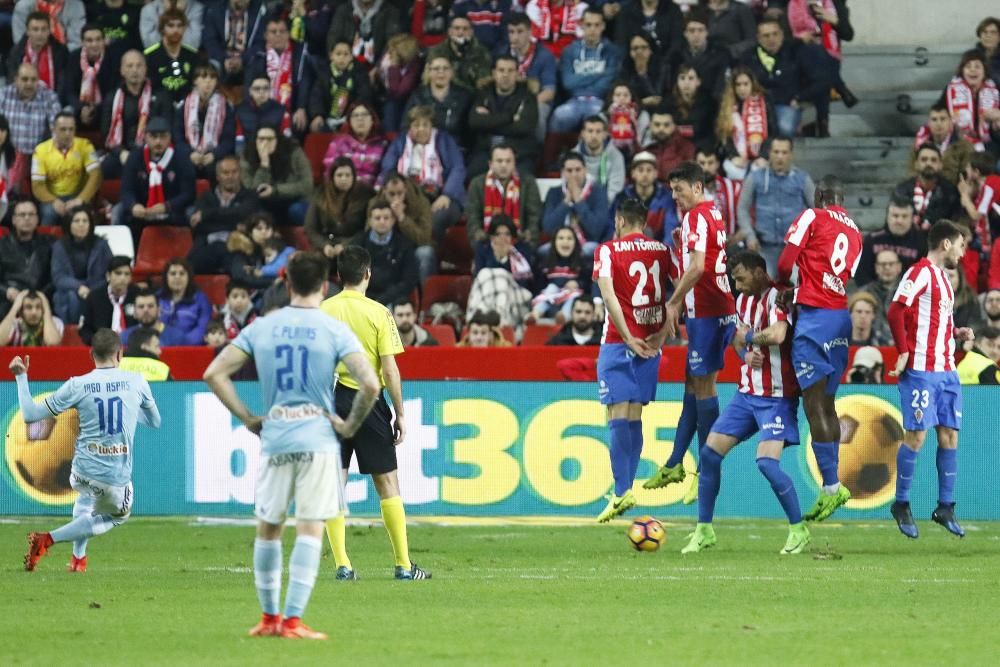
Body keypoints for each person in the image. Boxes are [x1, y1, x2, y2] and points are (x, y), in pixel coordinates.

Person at [204, 251, 379, 639]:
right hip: (317, 438)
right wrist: (349, 425)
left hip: (277, 436)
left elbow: (214, 373)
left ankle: (268, 619)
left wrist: (249, 418)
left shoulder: (263, 326)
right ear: (324, 286)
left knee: (269, 528)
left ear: (286, 284)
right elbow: (370, 383)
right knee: (310, 528)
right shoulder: (333, 328)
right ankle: (294, 621)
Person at [681, 251, 807, 554]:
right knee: (709, 455)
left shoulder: (779, 297)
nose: (737, 286)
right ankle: (704, 530)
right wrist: (744, 353)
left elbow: (777, 335)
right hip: (746, 395)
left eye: (740, 278)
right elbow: (738, 339)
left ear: (759, 271)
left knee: (766, 462)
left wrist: (751, 338)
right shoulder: (742, 302)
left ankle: (798, 529)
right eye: (733, 280)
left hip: (777, 397)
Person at [320, 245, 431, 582]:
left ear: (339, 276)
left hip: (333, 399)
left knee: (333, 485)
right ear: (368, 274)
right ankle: (402, 564)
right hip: (369, 402)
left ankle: (343, 565)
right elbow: (390, 369)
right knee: (387, 484)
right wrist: (400, 414)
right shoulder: (379, 313)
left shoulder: (322, 311)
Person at [15, 328, 161, 573]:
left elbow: (30, 415)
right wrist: (131, 411)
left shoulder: (78, 384)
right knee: (118, 515)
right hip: (113, 476)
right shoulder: (137, 381)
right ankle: (47, 539)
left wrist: (21, 377)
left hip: (80, 470)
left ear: (91, 354)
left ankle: (78, 560)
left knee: (86, 498)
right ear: (120, 354)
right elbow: (155, 422)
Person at [644, 162, 736, 503]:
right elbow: (703, 258)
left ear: (697, 187)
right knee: (692, 384)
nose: (675, 196)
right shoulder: (711, 214)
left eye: (679, 189)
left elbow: (698, 267)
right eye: (672, 190)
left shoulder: (697, 216)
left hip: (709, 313)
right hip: (711, 310)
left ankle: (705, 470)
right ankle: (674, 463)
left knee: (704, 388)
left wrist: (672, 303)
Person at [775, 175, 863, 522]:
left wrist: (785, 287)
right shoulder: (856, 233)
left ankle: (831, 487)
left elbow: (785, 262)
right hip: (840, 317)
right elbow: (844, 275)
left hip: (814, 316)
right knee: (826, 402)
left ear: (819, 196)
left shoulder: (812, 216)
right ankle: (832, 486)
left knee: (814, 405)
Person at [886, 220, 976, 539]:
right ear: (946, 244)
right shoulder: (920, 272)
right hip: (922, 371)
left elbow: (931, 323)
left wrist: (955, 332)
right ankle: (901, 503)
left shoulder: (944, 279)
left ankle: (946, 507)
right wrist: (902, 351)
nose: (964, 254)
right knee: (917, 437)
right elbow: (896, 311)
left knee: (950, 435)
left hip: (947, 370)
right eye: (962, 246)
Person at [592, 198, 669, 522]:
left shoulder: (608, 251)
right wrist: (662, 335)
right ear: (645, 221)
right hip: (652, 343)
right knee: (634, 415)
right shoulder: (663, 251)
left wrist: (626, 337)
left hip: (618, 341)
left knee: (617, 414)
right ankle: (626, 488)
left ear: (620, 220)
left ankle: (622, 491)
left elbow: (608, 295)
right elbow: (677, 296)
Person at [381, 105, 466, 242]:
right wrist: (395, 195)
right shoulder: (401, 142)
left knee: (436, 218)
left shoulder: (444, 140)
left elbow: (458, 168)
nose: (421, 129)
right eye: (416, 125)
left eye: (425, 125)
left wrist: (447, 195)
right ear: (410, 127)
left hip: (440, 195)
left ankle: (429, 253)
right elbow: (388, 168)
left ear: (431, 126)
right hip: (407, 194)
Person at [741, 17, 832, 137]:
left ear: (782, 34)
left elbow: (821, 81)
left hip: (787, 104)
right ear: (758, 38)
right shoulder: (748, 57)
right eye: (766, 36)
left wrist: (800, 98)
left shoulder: (797, 52)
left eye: (775, 34)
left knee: (784, 128)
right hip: (757, 107)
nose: (771, 39)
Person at [736, 137, 815, 274]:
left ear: (791, 154)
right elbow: (742, 208)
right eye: (776, 152)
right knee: (765, 291)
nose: (780, 157)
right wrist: (750, 235)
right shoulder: (755, 177)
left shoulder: (802, 179)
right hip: (763, 247)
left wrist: (810, 238)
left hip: (794, 249)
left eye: (784, 152)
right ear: (769, 153)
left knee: (795, 290)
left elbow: (817, 210)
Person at [119, 116, 195, 244]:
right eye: (153, 137)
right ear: (145, 137)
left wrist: (167, 206)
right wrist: (133, 205)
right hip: (142, 212)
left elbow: (188, 193)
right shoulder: (135, 157)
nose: (158, 141)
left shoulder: (181, 157)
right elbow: (126, 190)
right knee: (118, 212)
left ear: (170, 137)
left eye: (163, 137)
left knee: (192, 212)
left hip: (173, 211)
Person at [100, 50, 173, 179]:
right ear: (122, 70)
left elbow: (167, 127)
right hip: (122, 153)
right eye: (130, 66)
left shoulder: (161, 96)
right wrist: (120, 152)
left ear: (145, 69)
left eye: (139, 66)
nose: (135, 70)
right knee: (103, 168)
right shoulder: (112, 98)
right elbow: (106, 132)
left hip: (154, 151)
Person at [467, 54, 540, 176]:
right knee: (472, 174)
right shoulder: (482, 94)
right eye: (501, 70)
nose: (505, 75)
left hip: (519, 154)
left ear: (517, 74)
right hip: (486, 152)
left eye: (510, 71)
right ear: (494, 73)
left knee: (524, 178)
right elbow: (475, 121)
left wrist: (489, 121)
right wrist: (510, 117)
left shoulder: (528, 97)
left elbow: (524, 127)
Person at [551, 9, 621, 134]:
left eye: (596, 25)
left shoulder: (611, 51)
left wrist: (580, 78)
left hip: (600, 101)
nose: (592, 29)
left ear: (603, 26)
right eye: (588, 25)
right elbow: (568, 83)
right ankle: (552, 153)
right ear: (581, 25)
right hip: (574, 100)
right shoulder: (569, 51)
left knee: (599, 116)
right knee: (559, 115)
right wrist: (599, 74)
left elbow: (606, 84)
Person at [188, 155, 259, 275]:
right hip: (207, 250)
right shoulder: (206, 197)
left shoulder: (250, 196)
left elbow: (243, 214)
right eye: (226, 173)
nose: (230, 177)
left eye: (234, 172)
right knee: (184, 268)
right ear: (218, 176)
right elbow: (199, 226)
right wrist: (232, 224)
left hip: (237, 250)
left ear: (240, 174)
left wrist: (208, 214)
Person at [30, 111, 101, 226]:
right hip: (52, 197)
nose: (68, 133)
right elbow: (37, 185)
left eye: (71, 129)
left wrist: (81, 199)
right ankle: (46, 242)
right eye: (63, 129)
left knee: (83, 214)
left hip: (78, 195)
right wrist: (53, 200)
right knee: (49, 213)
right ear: (53, 129)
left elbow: (96, 175)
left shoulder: (85, 145)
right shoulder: (40, 150)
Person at [466, 143, 542, 247]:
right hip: (486, 243)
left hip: (520, 242)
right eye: (499, 161)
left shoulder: (527, 182)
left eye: (508, 161)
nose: (504, 165)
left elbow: (534, 215)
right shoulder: (477, 184)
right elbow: (473, 217)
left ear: (514, 163)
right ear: (490, 164)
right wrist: (481, 237)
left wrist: (528, 235)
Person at [244, 17, 312, 133]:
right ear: (265, 35)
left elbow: (305, 84)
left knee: (299, 123)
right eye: (273, 32)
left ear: (288, 34)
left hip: (291, 111)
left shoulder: (299, 54)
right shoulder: (257, 55)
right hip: (262, 109)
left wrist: (301, 107)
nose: (278, 35)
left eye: (282, 31)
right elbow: (248, 86)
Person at [348, 197, 420, 307]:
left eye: (386, 218)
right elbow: (350, 276)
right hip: (362, 299)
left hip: (393, 299)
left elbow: (408, 281)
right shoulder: (357, 245)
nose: (382, 222)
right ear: (370, 221)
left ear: (393, 220)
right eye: (377, 218)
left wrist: (384, 299)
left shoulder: (405, 246)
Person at [305, 156, 376, 268]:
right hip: (327, 243)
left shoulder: (365, 194)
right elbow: (311, 228)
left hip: (355, 244)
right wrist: (324, 245)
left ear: (354, 176)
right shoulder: (321, 193)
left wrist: (346, 245)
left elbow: (368, 229)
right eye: (339, 175)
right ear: (332, 177)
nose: (344, 179)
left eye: (348, 175)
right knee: (314, 265)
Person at [50, 206, 112, 325]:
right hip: (70, 291)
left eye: (85, 221)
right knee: (69, 297)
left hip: (97, 288)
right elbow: (58, 277)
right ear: (69, 224)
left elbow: (110, 272)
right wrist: (79, 287)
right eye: (76, 221)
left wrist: (92, 290)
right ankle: (71, 330)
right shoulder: (59, 246)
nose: (81, 224)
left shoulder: (102, 245)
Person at [542, 152, 610, 258]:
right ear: (562, 172)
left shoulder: (598, 192)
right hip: (559, 244)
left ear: (585, 170)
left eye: (578, 170)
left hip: (588, 243)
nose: (574, 175)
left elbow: (597, 229)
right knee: (542, 252)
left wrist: (579, 202)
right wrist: (566, 202)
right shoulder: (554, 193)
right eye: (569, 171)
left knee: (593, 250)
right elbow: (548, 227)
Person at [239, 124, 312, 223]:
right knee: (252, 210)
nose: (265, 143)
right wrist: (264, 164)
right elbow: (252, 191)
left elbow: (307, 185)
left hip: (294, 200)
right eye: (261, 139)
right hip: (265, 203)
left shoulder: (294, 151)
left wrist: (275, 190)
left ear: (277, 140)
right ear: (255, 141)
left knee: (297, 209)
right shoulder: (247, 155)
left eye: (269, 139)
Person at [504, 13, 558, 141]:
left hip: (537, 101)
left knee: (536, 113)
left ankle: (537, 153)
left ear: (530, 32)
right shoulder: (501, 52)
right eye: (511, 32)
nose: (515, 37)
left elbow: (549, 92)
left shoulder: (544, 56)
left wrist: (526, 106)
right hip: (508, 100)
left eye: (520, 32)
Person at [177, 63, 236, 180]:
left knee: (215, 169)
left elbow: (228, 139)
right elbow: (177, 136)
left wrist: (214, 155)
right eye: (204, 77)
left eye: (212, 78)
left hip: (214, 155)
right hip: (190, 154)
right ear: (195, 81)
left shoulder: (225, 107)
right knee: (185, 168)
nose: (208, 81)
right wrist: (190, 153)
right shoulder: (184, 106)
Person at [853, 196, 927, 287]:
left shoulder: (921, 242)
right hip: (875, 294)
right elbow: (861, 276)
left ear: (912, 219)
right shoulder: (872, 240)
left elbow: (924, 278)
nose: (899, 221)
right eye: (895, 216)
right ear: (887, 217)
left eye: (904, 216)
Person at [716, 66, 774, 181]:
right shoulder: (727, 106)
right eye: (738, 85)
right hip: (737, 160)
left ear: (752, 84)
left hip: (760, 158)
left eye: (745, 84)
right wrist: (734, 156)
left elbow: (772, 132)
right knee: (733, 170)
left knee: (759, 172)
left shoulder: (764, 102)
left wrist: (763, 156)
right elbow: (725, 136)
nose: (742, 88)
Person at [402, 56, 473, 148]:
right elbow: (405, 126)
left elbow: (469, 132)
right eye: (436, 69)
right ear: (429, 72)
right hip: (423, 148)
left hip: (455, 148)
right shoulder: (418, 96)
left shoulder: (464, 96)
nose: (441, 72)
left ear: (451, 72)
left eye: (445, 68)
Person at [0, 200, 53, 320]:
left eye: (31, 214)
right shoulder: (2, 245)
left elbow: (54, 277)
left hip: (40, 296)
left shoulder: (49, 243)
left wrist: (40, 295)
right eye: (22, 215)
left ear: (37, 219)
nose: (27, 218)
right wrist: (7, 291)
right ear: (13, 220)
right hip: (9, 297)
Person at [939, 50, 1000, 151]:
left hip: (991, 142)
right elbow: (939, 111)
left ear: (984, 70)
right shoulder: (951, 89)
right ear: (962, 71)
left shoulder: (995, 88)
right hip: (959, 141)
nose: (973, 70)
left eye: (977, 66)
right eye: (968, 66)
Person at [610, 150, 678, 241]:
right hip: (626, 249)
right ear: (633, 173)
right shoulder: (621, 198)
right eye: (640, 170)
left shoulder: (666, 198)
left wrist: (662, 252)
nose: (645, 174)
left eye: (649, 170)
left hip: (658, 249)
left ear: (655, 174)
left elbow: (670, 230)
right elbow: (612, 228)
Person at [308, 40, 374, 133]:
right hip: (328, 118)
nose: (342, 58)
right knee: (317, 127)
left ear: (351, 56)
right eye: (338, 54)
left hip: (351, 118)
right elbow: (316, 96)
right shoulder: (324, 73)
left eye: (346, 54)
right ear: (331, 56)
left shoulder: (359, 72)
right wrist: (318, 115)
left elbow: (364, 95)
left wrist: (351, 115)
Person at [381, 171, 435, 281]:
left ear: (405, 190)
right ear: (384, 191)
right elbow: (370, 235)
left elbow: (423, 238)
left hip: (413, 247)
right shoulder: (375, 204)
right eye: (392, 194)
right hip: (387, 248)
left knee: (425, 253)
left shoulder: (421, 203)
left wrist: (402, 217)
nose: (396, 198)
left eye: (400, 193)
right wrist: (389, 218)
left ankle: (424, 296)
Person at [893, 144, 960, 231]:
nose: (929, 163)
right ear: (916, 164)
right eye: (924, 160)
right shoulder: (901, 190)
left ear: (940, 165)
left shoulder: (950, 193)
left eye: (933, 160)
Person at [0, 63, 61, 158]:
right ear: (16, 80)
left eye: (33, 80)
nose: (29, 84)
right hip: (8, 158)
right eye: (25, 79)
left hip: (38, 157)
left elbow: (57, 129)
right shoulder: (4, 95)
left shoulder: (49, 97)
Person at [668, 9, 730, 101]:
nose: (696, 35)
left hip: (711, 104)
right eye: (692, 31)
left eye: (700, 30)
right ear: (685, 33)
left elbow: (720, 88)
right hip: (682, 104)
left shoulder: (720, 54)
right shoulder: (676, 56)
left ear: (707, 32)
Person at [65, 24, 119, 129]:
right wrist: (82, 108)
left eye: (98, 40)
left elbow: (115, 91)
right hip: (79, 108)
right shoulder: (73, 58)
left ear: (104, 41)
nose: (94, 44)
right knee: (67, 111)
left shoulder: (113, 58)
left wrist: (96, 109)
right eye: (89, 40)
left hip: (105, 107)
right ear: (82, 42)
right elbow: (69, 91)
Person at [144, 9, 202, 106]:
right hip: (158, 107)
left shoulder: (193, 55)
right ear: (162, 28)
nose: (176, 30)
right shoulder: (149, 56)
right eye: (171, 25)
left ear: (184, 28)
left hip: (188, 107)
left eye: (179, 26)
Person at [322, 102, 388, 187]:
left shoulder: (383, 145)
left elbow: (385, 172)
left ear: (372, 120)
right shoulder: (338, 143)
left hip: (371, 192)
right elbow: (329, 170)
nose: (360, 119)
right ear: (349, 121)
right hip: (343, 189)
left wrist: (376, 189)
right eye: (355, 116)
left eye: (364, 115)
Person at [531, 226, 589, 322]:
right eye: (561, 238)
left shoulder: (581, 263)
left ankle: (563, 317)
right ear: (554, 242)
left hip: (570, 300)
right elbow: (539, 286)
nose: (565, 242)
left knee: (575, 295)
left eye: (569, 238)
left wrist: (578, 284)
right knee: (551, 287)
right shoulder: (545, 263)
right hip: (551, 301)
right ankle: (535, 314)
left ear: (575, 242)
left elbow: (587, 283)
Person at [202, 0, 268, 85]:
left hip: (248, 59)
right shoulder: (215, 9)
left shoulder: (260, 11)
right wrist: (223, 58)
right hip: (221, 58)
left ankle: (249, 97)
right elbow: (210, 40)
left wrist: (243, 58)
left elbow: (260, 42)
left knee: (258, 63)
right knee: (210, 66)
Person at [79, 256, 138, 344]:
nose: (123, 278)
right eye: (118, 273)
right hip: (102, 349)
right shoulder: (94, 297)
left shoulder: (138, 296)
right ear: (108, 276)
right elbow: (85, 329)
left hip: (132, 347)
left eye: (127, 274)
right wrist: (97, 342)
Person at [427, 15, 493, 93]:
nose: (461, 32)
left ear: (471, 32)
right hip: (445, 93)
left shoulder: (481, 51)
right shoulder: (437, 51)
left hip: (473, 95)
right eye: (457, 28)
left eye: (465, 29)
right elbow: (431, 77)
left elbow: (483, 80)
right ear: (450, 31)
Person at [912, 104, 974, 186]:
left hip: (953, 193)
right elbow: (912, 172)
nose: (938, 123)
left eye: (943, 119)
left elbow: (966, 177)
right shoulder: (920, 146)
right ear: (928, 123)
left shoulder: (964, 146)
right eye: (934, 119)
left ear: (950, 122)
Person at [8, 11, 68, 95]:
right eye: (35, 29)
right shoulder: (17, 52)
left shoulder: (61, 52)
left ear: (49, 31)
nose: (40, 34)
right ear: (28, 31)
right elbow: (12, 81)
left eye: (44, 29)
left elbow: (63, 85)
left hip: (52, 102)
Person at [325, 0, 401, 67]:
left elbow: (393, 42)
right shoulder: (344, 10)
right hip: (347, 64)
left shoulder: (390, 11)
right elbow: (333, 37)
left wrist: (377, 68)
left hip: (378, 67)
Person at [156, 258, 212, 346]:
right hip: (160, 348)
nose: (177, 277)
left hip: (190, 350)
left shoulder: (201, 299)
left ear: (189, 277)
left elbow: (202, 328)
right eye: (173, 273)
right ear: (166, 277)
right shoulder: (157, 298)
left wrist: (182, 343)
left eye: (182, 273)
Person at [376, 33, 423, 134]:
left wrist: (394, 66)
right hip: (388, 98)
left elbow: (399, 91)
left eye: (394, 50)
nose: (390, 53)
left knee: (393, 106)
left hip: (410, 99)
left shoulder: (414, 64)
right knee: (390, 106)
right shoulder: (387, 59)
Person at [575, 115, 626, 203]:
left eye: (598, 131)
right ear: (583, 134)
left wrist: (599, 208)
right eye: (590, 131)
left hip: (607, 208)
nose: (594, 136)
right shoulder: (574, 157)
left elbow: (615, 189)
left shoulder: (616, 156)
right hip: (580, 206)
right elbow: (571, 187)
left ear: (605, 134)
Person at [234, 74, 292, 151]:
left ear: (270, 91)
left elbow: (287, 139)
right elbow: (239, 141)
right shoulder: (240, 110)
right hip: (248, 153)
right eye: (257, 89)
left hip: (275, 154)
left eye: (265, 88)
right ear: (250, 91)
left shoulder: (281, 110)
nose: (261, 92)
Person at [697, 146, 740, 240]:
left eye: (710, 163)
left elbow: (742, 216)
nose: (706, 168)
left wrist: (735, 239)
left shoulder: (732, 187)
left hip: (729, 242)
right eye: (702, 163)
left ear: (718, 164)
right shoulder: (689, 190)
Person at [957, 151, 1000, 244]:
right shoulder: (984, 186)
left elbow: (976, 215)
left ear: (976, 172)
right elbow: (966, 205)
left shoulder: (991, 185)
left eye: (968, 167)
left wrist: (964, 194)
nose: (966, 169)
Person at [120, 288, 185, 348]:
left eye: (150, 306)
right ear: (134, 313)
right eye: (141, 306)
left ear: (159, 310)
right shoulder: (125, 337)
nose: (146, 310)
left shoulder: (177, 338)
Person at [643, 108, 695, 183]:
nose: (661, 128)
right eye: (657, 125)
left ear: (674, 126)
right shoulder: (644, 147)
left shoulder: (686, 147)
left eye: (666, 125)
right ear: (650, 126)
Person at [621, 33, 668, 113]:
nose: (639, 52)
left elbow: (656, 98)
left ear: (651, 50)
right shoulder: (624, 70)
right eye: (635, 48)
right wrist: (642, 103)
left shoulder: (662, 68)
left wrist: (642, 74)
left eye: (644, 47)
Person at [604, 82, 650, 161]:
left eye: (626, 95)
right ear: (612, 97)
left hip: (635, 151)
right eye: (618, 95)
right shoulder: (604, 115)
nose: (622, 98)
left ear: (631, 97)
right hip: (611, 151)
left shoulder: (641, 115)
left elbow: (642, 138)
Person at [856, 249, 903, 319]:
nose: (887, 268)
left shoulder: (909, 294)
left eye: (891, 264)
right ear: (876, 268)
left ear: (899, 267)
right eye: (883, 264)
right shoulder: (864, 293)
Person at [139, 0, 204, 50]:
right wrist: (167, 15)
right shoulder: (148, 10)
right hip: (158, 59)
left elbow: (194, 43)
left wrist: (180, 14)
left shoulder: (197, 9)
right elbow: (150, 44)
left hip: (188, 58)